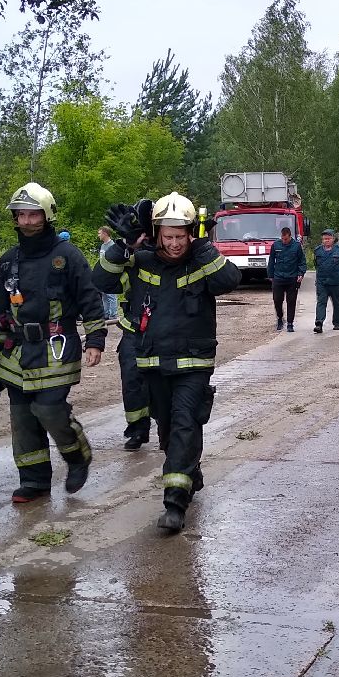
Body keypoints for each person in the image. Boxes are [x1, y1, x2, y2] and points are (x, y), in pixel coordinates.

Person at [100, 192, 240, 532]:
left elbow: (229, 280)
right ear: (157, 233)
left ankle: (175, 503)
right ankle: (190, 469)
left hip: (194, 363)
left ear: (190, 232)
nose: (175, 244)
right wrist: (123, 245)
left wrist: (203, 246)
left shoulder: (201, 260)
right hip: (154, 362)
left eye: (181, 236)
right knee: (166, 430)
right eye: (168, 237)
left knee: (184, 423)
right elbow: (101, 281)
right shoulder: (143, 260)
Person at [0, 182, 106, 503]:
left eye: (34, 215)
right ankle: (33, 481)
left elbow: (89, 298)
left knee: (49, 410)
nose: (27, 222)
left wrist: (95, 339)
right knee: (22, 417)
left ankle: (77, 456)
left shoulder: (68, 256)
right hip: (19, 351)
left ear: (47, 216)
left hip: (56, 347)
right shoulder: (8, 261)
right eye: (21, 216)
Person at [92, 200, 154, 451]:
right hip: (134, 329)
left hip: (169, 330)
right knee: (132, 383)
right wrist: (126, 246)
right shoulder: (132, 255)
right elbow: (101, 279)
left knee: (165, 384)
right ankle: (137, 429)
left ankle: (169, 427)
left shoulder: (175, 248)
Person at [268, 225, 306, 332]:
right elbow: (271, 261)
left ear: (290, 237)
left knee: (291, 301)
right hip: (278, 278)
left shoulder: (297, 246)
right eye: (282, 239)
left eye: (286, 239)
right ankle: (280, 318)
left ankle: (290, 323)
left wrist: (301, 273)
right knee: (277, 300)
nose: (284, 241)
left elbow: (302, 262)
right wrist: (270, 275)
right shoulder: (276, 245)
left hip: (292, 278)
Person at [312, 228, 339, 333]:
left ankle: (337, 323)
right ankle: (319, 323)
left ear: (333, 239)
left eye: (328, 238)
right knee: (321, 302)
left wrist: (338, 274)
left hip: (335, 282)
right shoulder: (317, 250)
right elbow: (316, 264)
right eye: (324, 239)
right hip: (322, 282)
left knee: (337, 303)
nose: (326, 241)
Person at [96, 226, 121, 323]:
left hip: (111, 273)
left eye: (99, 233)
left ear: (105, 233)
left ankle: (113, 314)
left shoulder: (112, 245)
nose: (98, 235)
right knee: (104, 294)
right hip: (103, 273)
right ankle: (105, 313)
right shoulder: (103, 246)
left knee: (111, 294)